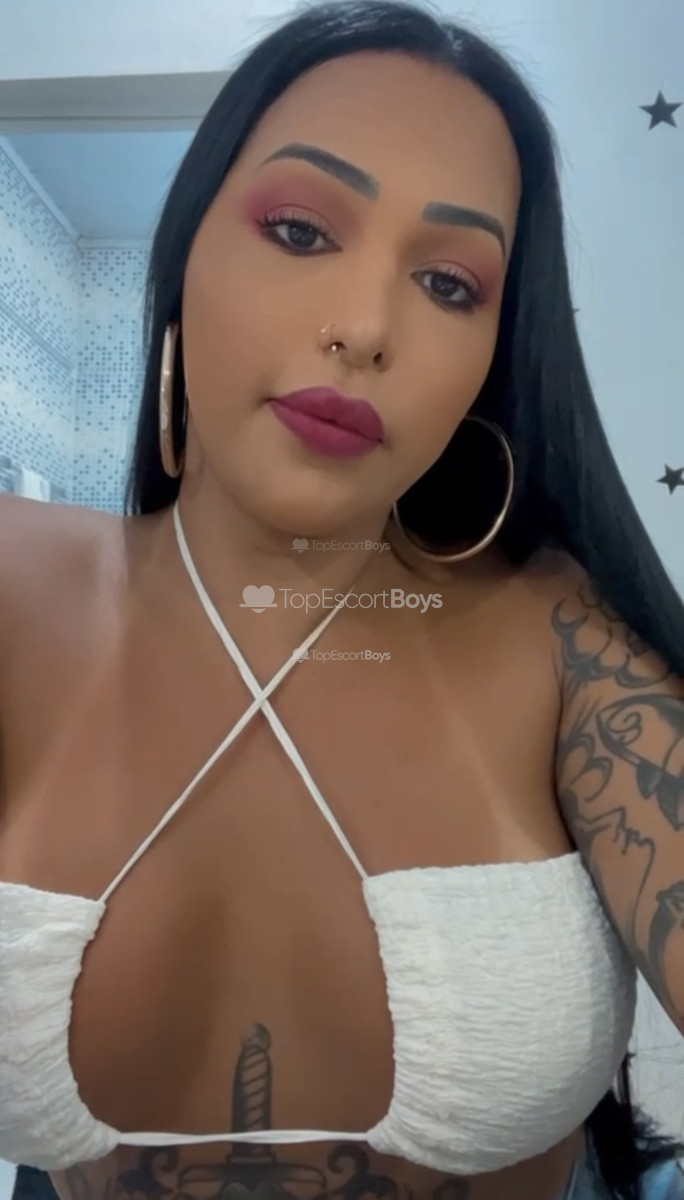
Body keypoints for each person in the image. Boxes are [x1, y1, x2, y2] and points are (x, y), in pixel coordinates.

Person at [1, 2, 684, 1198]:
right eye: (301, 230)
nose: (365, 330)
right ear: (187, 247)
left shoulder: (563, 639)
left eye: (449, 283)